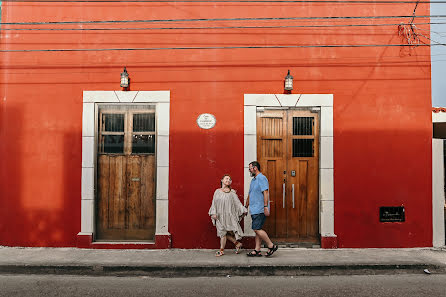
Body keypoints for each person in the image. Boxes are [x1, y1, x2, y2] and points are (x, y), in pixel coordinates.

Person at [209, 174, 248, 257]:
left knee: (225, 232)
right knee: (222, 232)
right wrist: (213, 213)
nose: (228, 180)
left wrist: (243, 210)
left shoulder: (232, 193)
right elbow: (214, 203)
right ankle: (236, 243)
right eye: (226, 178)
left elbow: (237, 203)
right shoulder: (217, 191)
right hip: (219, 216)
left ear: (230, 182)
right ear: (222, 180)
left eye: (229, 179)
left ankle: (222, 250)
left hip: (229, 216)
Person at [245, 161, 278, 257]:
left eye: (250, 168)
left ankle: (271, 245)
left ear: (255, 168)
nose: (249, 170)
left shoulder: (262, 178)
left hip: (260, 209)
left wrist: (265, 206)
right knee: (258, 229)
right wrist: (246, 207)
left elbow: (265, 193)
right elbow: (250, 194)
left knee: (256, 229)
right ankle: (257, 250)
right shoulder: (253, 180)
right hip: (254, 209)